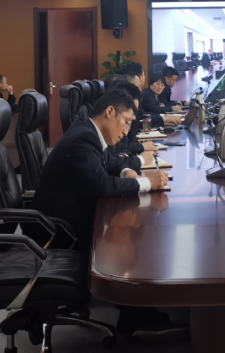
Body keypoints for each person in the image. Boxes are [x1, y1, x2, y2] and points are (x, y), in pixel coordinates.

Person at [33, 88, 168, 251]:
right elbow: (104, 186)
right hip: (57, 233)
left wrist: (126, 172)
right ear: (110, 112)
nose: (126, 132)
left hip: (70, 220)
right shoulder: (83, 138)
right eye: (126, 122)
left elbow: (109, 161)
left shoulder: (88, 130)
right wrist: (148, 182)